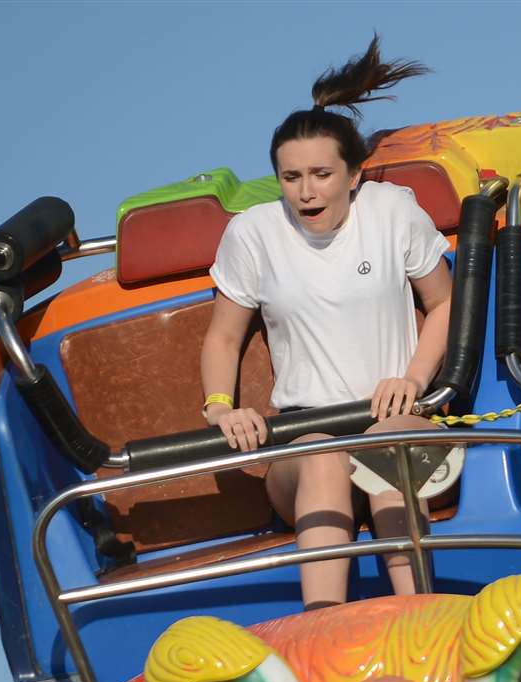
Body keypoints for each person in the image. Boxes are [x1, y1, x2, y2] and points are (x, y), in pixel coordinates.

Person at [200, 36, 452, 610]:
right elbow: (223, 336)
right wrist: (219, 405)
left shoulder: (391, 211)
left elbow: (444, 304)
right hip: (305, 436)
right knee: (319, 453)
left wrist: (411, 380)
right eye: (291, 178)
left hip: (393, 419)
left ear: (354, 175)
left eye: (320, 174)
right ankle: (323, 629)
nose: (306, 192)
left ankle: (421, 618)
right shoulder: (253, 233)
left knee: (391, 446)